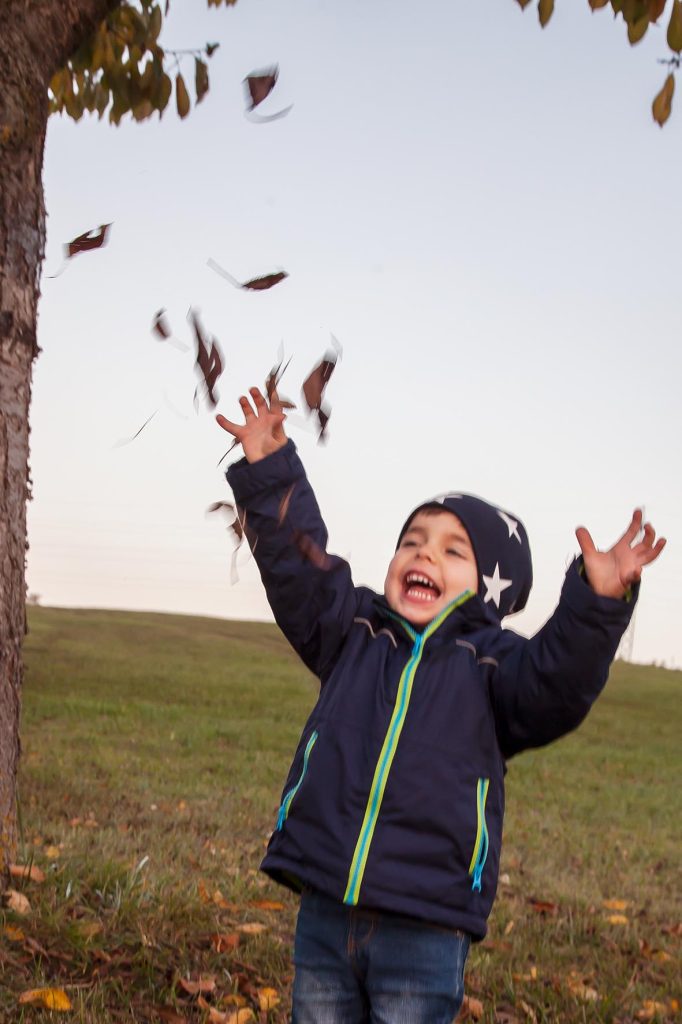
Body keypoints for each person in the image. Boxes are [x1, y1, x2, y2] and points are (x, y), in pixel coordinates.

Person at [216, 387, 665, 1024]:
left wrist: (596, 602)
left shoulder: (494, 665)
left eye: (454, 551)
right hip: (324, 898)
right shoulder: (353, 630)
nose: (425, 553)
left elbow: (557, 687)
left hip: (427, 921)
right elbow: (299, 568)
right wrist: (269, 470)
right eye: (414, 541)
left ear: (489, 589)